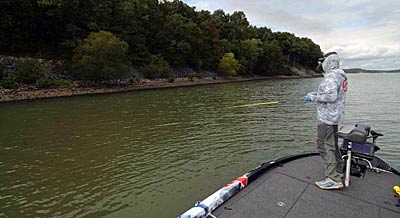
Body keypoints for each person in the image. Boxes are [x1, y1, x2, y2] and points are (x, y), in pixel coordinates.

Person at [304, 51, 348, 190]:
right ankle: (339, 170)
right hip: (335, 117)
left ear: (328, 62)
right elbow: (332, 94)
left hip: (327, 118)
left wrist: (313, 98)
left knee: (325, 145)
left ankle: (333, 178)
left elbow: (330, 97)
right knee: (333, 145)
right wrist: (317, 94)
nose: (321, 64)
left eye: (322, 62)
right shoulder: (340, 76)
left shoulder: (331, 77)